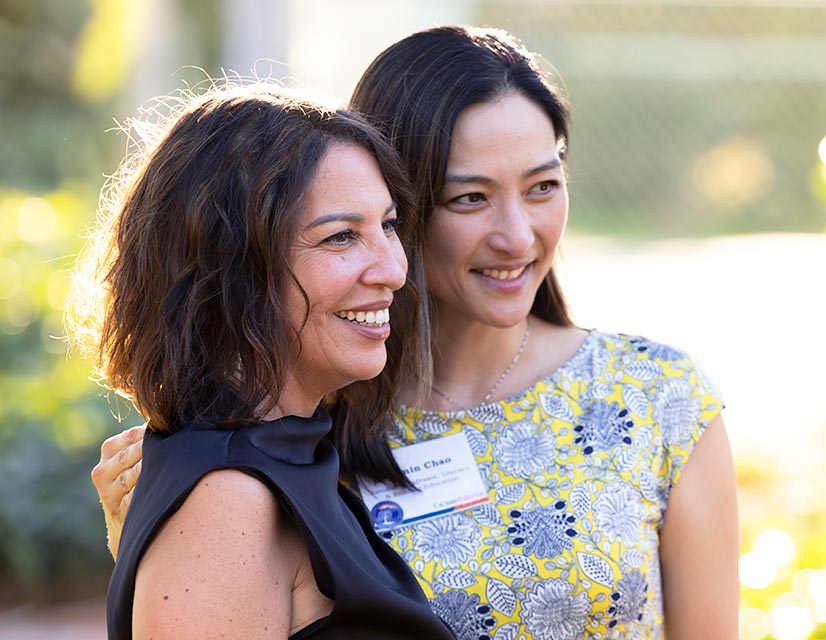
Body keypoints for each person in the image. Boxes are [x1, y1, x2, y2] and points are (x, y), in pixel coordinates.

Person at [92, 26, 740, 639]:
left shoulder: (654, 396)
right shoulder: (305, 421)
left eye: (544, 186)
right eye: (470, 198)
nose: (516, 236)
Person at [69, 83, 454, 639]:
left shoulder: (286, 455)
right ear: (231, 271)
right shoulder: (227, 500)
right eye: (342, 237)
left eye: (388, 226)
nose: (393, 269)